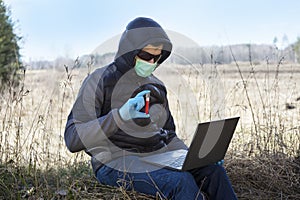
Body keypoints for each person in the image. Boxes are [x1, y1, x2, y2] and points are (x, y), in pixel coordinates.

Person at [64, 17, 237, 200]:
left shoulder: (156, 86)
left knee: (214, 172)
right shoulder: (99, 80)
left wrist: (192, 157)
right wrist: (119, 117)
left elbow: (169, 135)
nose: (152, 62)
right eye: (146, 56)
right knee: (180, 182)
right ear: (129, 52)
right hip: (114, 161)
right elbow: (73, 138)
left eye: (157, 57)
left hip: (157, 157)